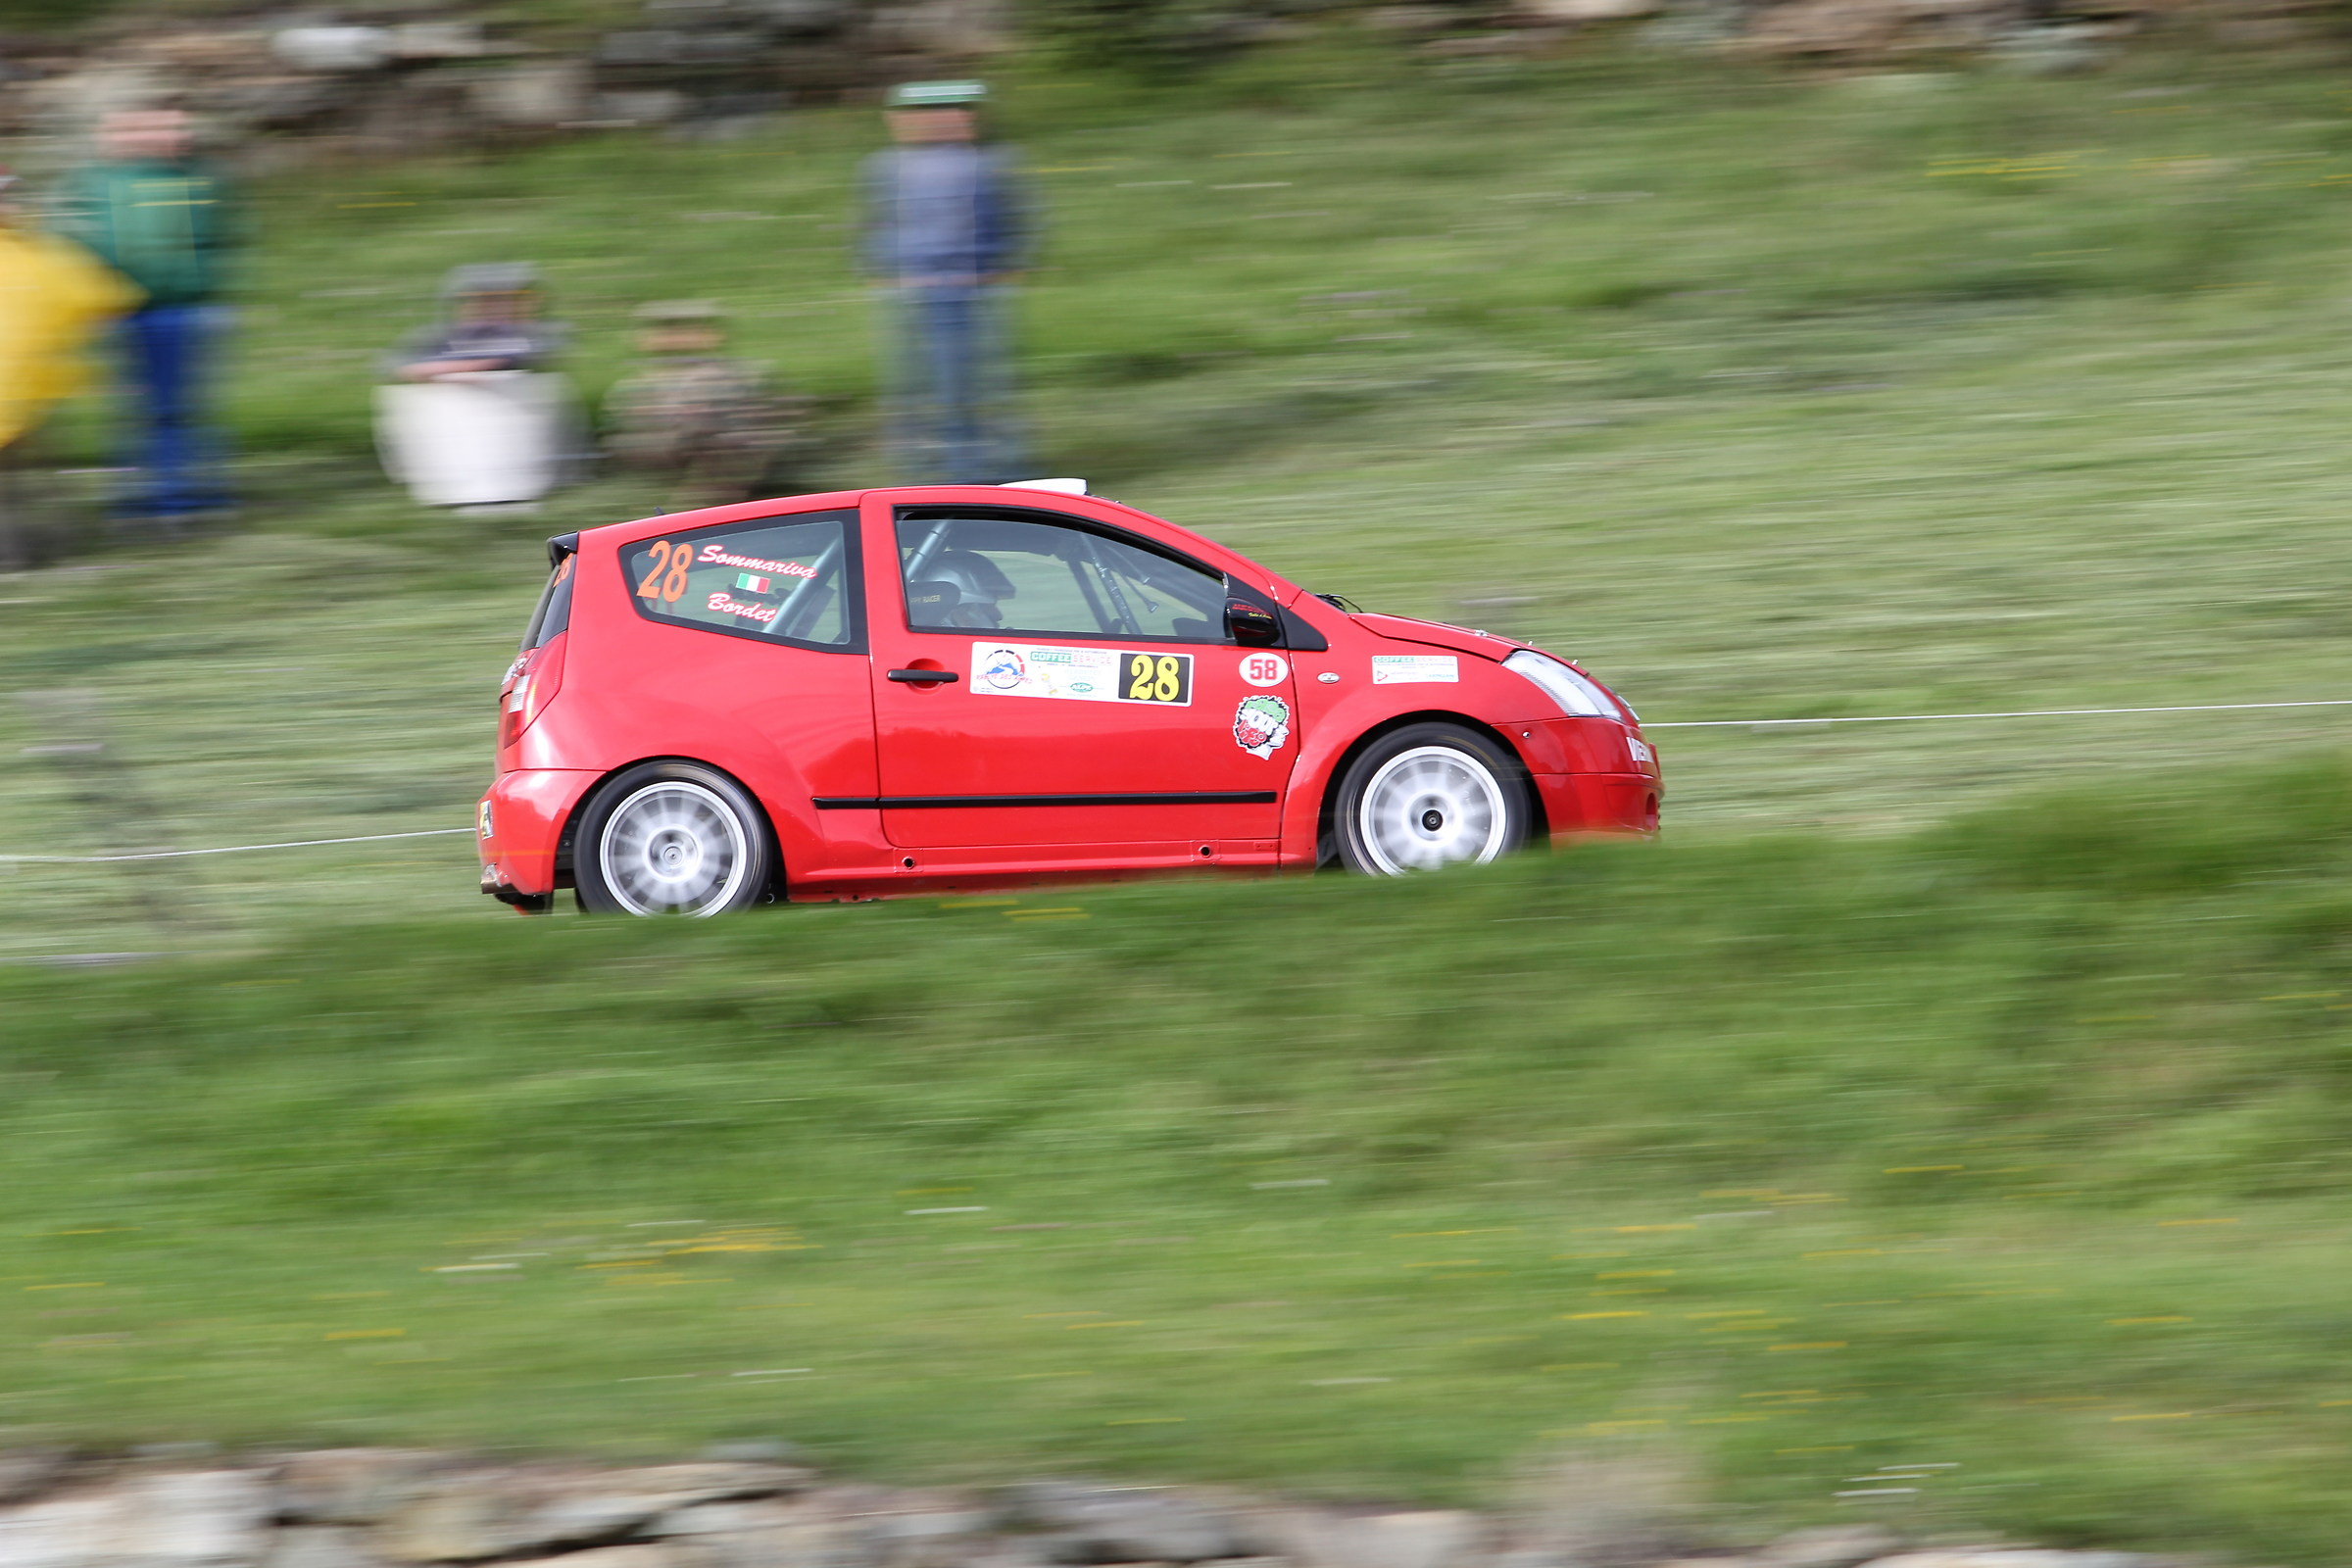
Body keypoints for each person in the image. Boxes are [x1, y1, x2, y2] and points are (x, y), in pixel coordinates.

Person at [55, 106, 239, 524]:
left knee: (186, 406)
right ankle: (154, 496)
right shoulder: (96, 183)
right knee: (145, 410)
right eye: (160, 130)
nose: (175, 137)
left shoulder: (201, 177)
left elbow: (222, 238)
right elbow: (73, 245)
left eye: (179, 129)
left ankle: (188, 491)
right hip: (125, 312)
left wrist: (214, 294)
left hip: (188, 310)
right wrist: (92, 301)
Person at [860, 79, 1031, 484]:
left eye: (957, 113)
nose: (948, 121)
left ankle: (991, 470)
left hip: (973, 288)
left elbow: (1015, 218)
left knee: (981, 380)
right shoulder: (887, 167)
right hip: (915, 290)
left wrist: (1001, 266)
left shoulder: (990, 162)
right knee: (918, 385)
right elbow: (879, 223)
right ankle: (926, 473)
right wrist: (884, 271)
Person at [0, 168, 140, 568]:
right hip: (23, 390)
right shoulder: (40, 254)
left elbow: (104, 299)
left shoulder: (41, 254)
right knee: (21, 478)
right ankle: (21, 549)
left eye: (11, 198)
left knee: (28, 476)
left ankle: (31, 547)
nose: (8, 207)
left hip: (28, 393)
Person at [375, 264, 580, 512]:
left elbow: (522, 357)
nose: (495, 307)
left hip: (515, 425)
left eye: (507, 300)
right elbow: (401, 365)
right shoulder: (444, 338)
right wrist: (447, 373)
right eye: (484, 299)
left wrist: (458, 370)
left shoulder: (534, 334)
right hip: (452, 427)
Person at [603, 299, 810, 509]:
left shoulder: (746, 378)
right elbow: (624, 446)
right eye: (667, 330)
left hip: (747, 493)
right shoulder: (632, 390)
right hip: (658, 488)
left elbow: (768, 440)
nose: (676, 339)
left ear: (712, 335)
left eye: (688, 330)